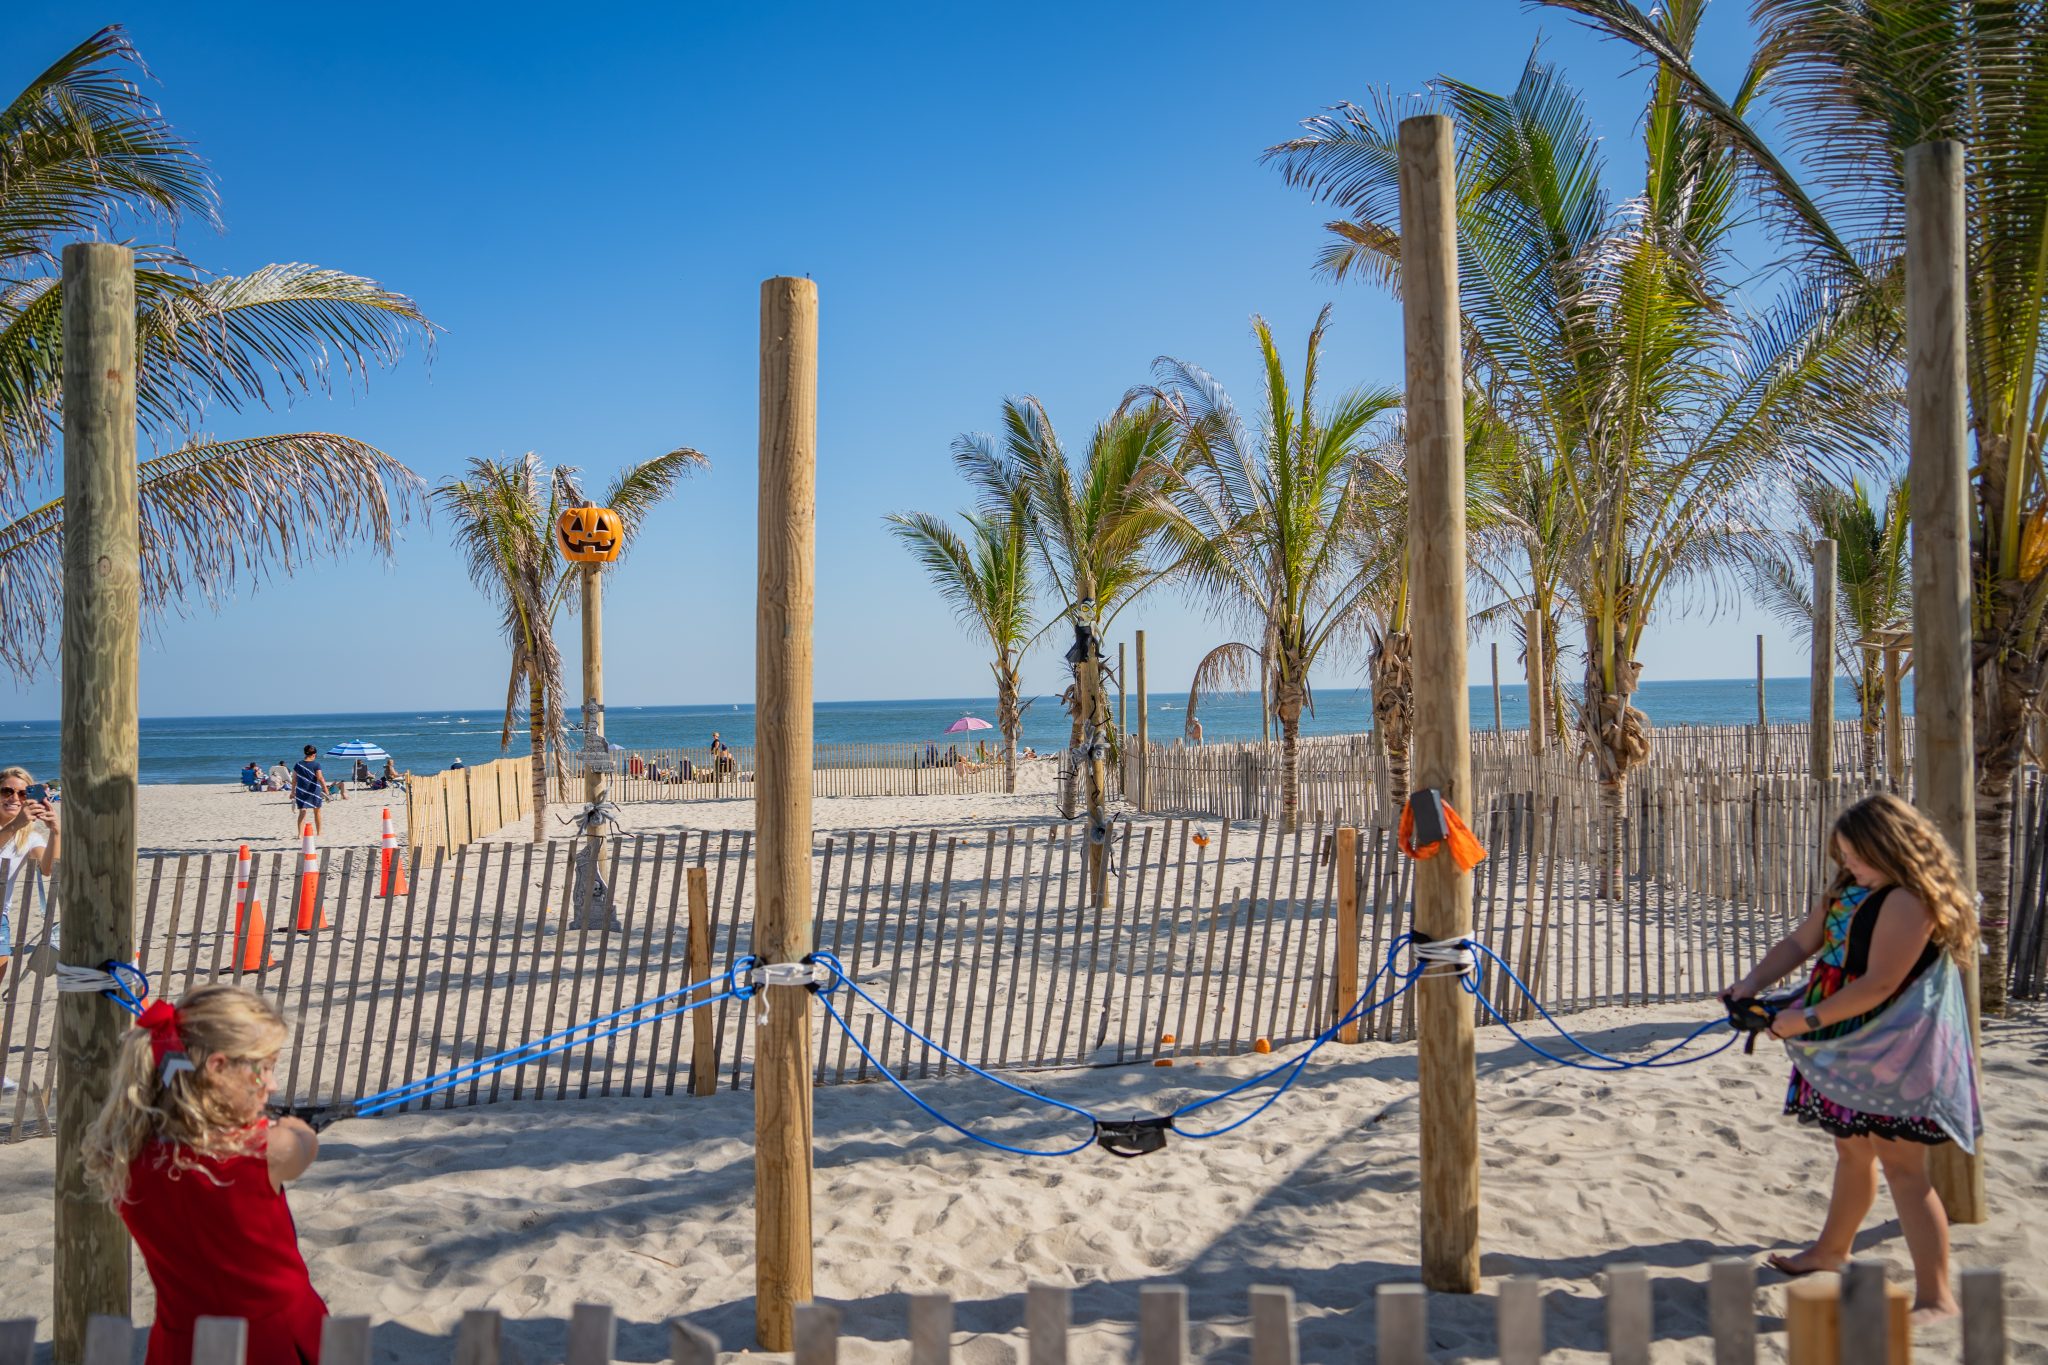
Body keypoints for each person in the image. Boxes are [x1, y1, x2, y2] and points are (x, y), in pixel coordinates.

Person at [1721, 792, 1980, 1324]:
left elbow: (1882, 982)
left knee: (1905, 1168)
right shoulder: (1847, 889)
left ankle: (1936, 1296)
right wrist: (1749, 985)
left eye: (1856, 856)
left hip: (1889, 1043)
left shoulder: (1909, 900)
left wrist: (1805, 1021)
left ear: (1891, 849)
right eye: (1843, 856)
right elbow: (1800, 944)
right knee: (1853, 1150)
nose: (1848, 866)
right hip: (1843, 1038)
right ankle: (1831, 1251)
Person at [83, 984, 326, 1365]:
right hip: (272, 1339)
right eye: (265, 1069)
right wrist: (294, 1126)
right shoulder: (266, 1152)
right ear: (217, 1068)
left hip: (183, 1342)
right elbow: (305, 1146)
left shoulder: (129, 1155)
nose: (273, 1084)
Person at [1, 767, 61, 1008]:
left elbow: (48, 868)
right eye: (7, 791)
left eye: (24, 794)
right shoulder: (17, 828)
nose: (15, 798)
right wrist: (16, 824)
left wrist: (56, 831)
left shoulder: (29, 837)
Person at [290, 746, 325, 837]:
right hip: (314, 790)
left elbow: (294, 779)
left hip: (301, 790)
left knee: (302, 812)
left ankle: (300, 834)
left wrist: (292, 792)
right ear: (314, 754)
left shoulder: (298, 764)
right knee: (317, 811)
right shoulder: (316, 765)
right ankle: (319, 833)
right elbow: (320, 778)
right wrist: (325, 789)